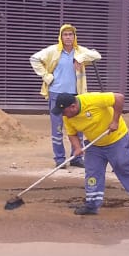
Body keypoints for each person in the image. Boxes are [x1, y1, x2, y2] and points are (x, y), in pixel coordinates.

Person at [52, 92, 129, 218]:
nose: (62, 114)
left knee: (123, 166)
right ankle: (92, 205)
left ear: (73, 107)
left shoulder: (92, 100)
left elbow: (119, 98)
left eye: (63, 111)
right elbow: (72, 134)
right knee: (93, 172)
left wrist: (115, 121)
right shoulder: (68, 117)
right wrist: (77, 148)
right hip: (94, 144)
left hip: (116, 139)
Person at [30, 23, 101, 168]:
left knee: (78, 128)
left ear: (74, 37)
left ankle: (76, 157)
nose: (68, 37)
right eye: (65, 34)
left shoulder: (79, 51)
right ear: (61, 37)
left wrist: (81, 58)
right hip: (56, 93)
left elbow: (97, 55)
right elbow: (34, 59)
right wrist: (46, 76)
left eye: (71, 34)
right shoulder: (53, 51)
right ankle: (59, 159)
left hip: (76, 96)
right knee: (57, 129)